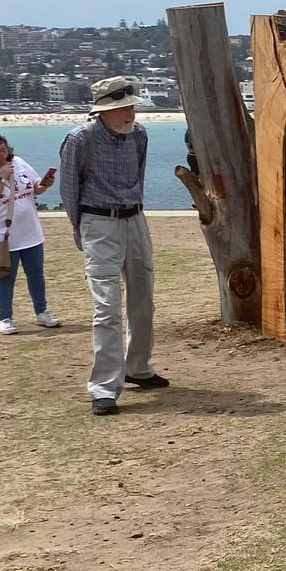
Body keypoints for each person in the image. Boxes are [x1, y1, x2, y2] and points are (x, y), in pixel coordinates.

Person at [60, 76, 168, 416]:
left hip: (134, 219)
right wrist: (81, 229)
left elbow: (138, 176)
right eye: (121, 109)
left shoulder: (140, 135)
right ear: (102, 113)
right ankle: (104, 386)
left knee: (143, 297)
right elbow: (69, 189)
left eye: (131, 107)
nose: (129, 114)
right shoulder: (80, 139)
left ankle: (138, 366)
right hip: (99, 221)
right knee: (106, 306)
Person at [0, 127, 62, 335]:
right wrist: (1, 178)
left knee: (36, 274)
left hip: (30, 231)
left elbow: (34, 188)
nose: (0, 148)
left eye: (0, 142)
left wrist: (44, 184)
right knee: (5, 276)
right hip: (1, 236)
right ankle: (5, 318)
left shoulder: (18, 163)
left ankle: (41, 311)